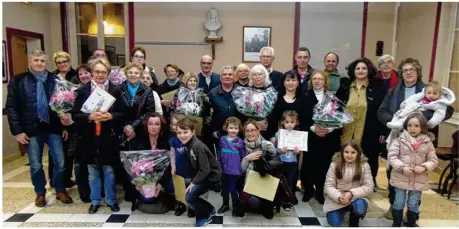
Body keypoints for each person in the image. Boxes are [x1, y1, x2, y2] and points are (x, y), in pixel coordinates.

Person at [377, 57, 454, 219]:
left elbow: (448, 110)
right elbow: (381, 112)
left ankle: (413, 210)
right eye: (405, 70)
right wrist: (396, 121)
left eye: (412, 69)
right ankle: (394, 206)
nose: (408, 72)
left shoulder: (430, 89)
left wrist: (429, 119)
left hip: (422, 140)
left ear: (418, 72)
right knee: (396, 172)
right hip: (399, 138)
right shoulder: (393, 91)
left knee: (417, 175)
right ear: (400, 73)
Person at [5, 50, 73, 207]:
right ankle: (40, 193)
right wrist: (18, 131)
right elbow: (12, 108)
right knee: (35, 164)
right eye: (36, 60)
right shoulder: (18, 81)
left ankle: (60, 189)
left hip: (53, 128)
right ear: (30, 62)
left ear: (47, 63)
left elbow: (61, 105)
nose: (39, 63)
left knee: (60, 162)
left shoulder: (56, 80)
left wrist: (64, 126)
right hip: (31, 129)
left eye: (42, 61)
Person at [72, 58, 123, 214]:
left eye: (103, 72)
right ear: (92, 72)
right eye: (97, 71)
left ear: (108, 73)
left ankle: (111, 200)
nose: (100, 75)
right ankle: (95, 200)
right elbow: (75, 115)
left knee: (109, 170)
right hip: (89, 138)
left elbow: (123, 113)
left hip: (108, 137)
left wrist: (111, 116)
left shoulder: (115, 90)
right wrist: (89, 117)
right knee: (92, 171)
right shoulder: (83, 91)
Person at [336, 57, 387, 190]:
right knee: (343, 156)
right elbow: (336, 107)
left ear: (369, 70)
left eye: (364, 68)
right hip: (346, 130)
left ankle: (368, 184)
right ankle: (342, 183)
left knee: (369, 157)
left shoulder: (378, 87)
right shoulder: (345, 85)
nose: (360, 70)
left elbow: (382, 110)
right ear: (353, 70)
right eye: (358, 68)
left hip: (368, 130)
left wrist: (383, 131)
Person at [388, 112, 438, 227]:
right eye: (410, 125)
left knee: (413, 203)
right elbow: (392, 156)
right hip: (401, 178)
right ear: (406, 126)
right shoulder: (399, 140)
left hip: (418, 179)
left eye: (416, 126)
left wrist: (424, 166)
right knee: (399, 202)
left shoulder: (427, 142)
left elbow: (433, 160)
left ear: (422, 127)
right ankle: (396, 223)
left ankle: (411, 223)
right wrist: (402, 167)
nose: (412, 128)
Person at [301, 70, 341, 204]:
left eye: (320, 79)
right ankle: (307, 190)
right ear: (311, 81)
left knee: (323, 165)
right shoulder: (305, 96)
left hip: (327, 138)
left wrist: (328, 129)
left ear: (325, 82)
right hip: (311, 137)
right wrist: (314, 128)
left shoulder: (331, 98)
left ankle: (319, 191)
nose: (317, 81)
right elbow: (303, 117)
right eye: (315, 79)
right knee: (309, 164)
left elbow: (338, 118)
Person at [176, 117, 222, 227]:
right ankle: (210, 209)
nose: (182, 135)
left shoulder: (197, 146)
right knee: (190, 194)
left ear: (193, 132)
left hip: (211, 176)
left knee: (189, 196)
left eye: (185, 132)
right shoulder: (189, 143)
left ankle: (204, 217)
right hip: (203, 174)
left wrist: (194, 182)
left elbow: (205, 169)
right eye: (179, 133)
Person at [128, 113, 175, 213]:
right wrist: (138, 183)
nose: (153, 127)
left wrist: (160, 184)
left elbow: (170, 165)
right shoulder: (139, 141)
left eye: (157, 124)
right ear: (146, 126)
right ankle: (146, 198)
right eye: (150, 124)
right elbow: (133, 164)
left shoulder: (167, 141)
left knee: (171, 185)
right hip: (145, 177)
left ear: (161, 127)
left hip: (163, 176)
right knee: (147, 198)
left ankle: (166, 195)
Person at [236, 119, 281, 219]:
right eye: (247, 131)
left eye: (253, 130)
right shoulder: (240, 146)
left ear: (258, 131)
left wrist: (262, 163)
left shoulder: (267, 145)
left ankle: (266, 205)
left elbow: (275, 162)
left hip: (264, 180)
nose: (250, 133)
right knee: (241, 210)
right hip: (247, 180)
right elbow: (240, 170)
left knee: (268, 213)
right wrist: (247, 158)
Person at [324, 140, 374, 227]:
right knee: (334, 223)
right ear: (342, 152)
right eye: (346, 152)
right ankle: (338, 210)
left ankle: (354, 217)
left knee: (360, 208)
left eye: (353, 152)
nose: (349, 155)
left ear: (358, 153)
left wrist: (350, 194)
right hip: (338, 197)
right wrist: (339, 197)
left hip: (355, 197)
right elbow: (328, 185)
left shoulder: (364, 165)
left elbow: (369, 186)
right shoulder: (334, 164)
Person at [49, 51, 78, 189]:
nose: (62, 64)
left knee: (69, 152)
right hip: (56, 119)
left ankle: (66, 178)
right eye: (59, 62)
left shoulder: (76, 76)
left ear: (69, 61)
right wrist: (60, 115)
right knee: (55, 152)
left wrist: (68, 116)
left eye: (64, 61)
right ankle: (54, 180)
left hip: (73, 120)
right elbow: (51, 99)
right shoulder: (52, 77)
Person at [386, 80, 455, 131]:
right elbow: (414, 97)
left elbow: (440, 114)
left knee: (413, 115)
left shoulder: (440, 103)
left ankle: (401, 124)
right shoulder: (422, 94)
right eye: (429, 93)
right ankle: (398, 123)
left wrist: (431, 123)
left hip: (422, 119)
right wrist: (405, 103)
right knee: (404, 112)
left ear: (439, 94)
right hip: (417, 108)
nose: (431, 95)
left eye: (434, 93)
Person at [119, 62, 156, 150]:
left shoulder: (147, 90)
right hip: (122, 128)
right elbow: (116, 110)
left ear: (140, 75)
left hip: (141, 128)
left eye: (136, 73)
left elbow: (150, 111)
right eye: (130, 72)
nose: (133, 75)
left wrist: (133, 126)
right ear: (126, 73)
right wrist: (126, 127)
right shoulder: (118, 89)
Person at [270, 111, 301, 210]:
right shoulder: (278, 134)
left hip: (292, 163)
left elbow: (300, 151)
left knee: (289, 183)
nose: (289, 124)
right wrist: (274, 142)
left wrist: (298, 151)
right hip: (281, 162)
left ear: (296, 123)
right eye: (287, 122)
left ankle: (287, 201)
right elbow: (274, 149)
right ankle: (276, 201)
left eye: (292, 122)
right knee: (278, 181)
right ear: (283, 122)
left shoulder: (298, 135)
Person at [217, 117, 246, 215]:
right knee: (224, 188)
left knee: (232, 189)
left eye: (236, 128)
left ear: (239, 129)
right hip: (223, 168)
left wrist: (242, 168)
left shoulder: (240, 142)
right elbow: (219, 151)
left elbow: (243, 156)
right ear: (226, 128)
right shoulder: (222, 139)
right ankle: (225, 204)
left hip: (234, 170)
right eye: (231, 128)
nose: (233, 130)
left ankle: (236, 204)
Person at [266, 70, 305, 141]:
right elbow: (273, 119)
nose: (290, 83)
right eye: (288, 80)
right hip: (278, 137)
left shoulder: (304, 99)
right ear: (283, 82)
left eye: (293, 80)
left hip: (298, 138)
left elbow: (305, 121)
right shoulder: (276, 98)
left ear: (298, 83)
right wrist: (272, 135)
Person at [169, 113, 195, 217]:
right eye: (174, 124)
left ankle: (192, 208)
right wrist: (173, 167)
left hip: (190, 169)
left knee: (190, 189)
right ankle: (181, 206)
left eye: (178, 124)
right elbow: (172, 155)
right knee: (179, 189)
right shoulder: (173, 140)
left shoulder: (189, 138)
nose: (176, 127)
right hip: (179, 170)